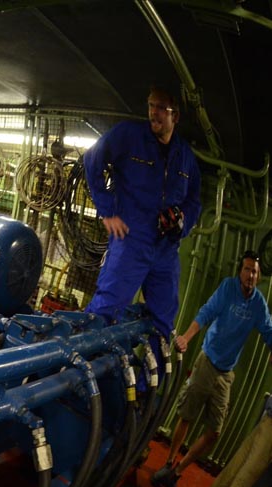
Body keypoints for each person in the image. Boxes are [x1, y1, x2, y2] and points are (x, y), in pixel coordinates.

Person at [152, 251, 272, 487]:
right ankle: (168, 462)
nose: (251, 275)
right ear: (240, 272)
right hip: (207, 362)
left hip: (226, 374)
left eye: (255, 271)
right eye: (247, 269)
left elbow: (268, 331)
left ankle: (176, 473)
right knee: (186, 415)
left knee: (215, 432)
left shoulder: (258, 304)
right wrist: (185, 337)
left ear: (258, 276)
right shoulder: (228, 289)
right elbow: (206, 313)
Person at [84, 86, 202, 341]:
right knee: (105, 312)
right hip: (131, 239)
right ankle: (77, 374)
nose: (154, 113)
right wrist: (107, 211)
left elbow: (194, 200)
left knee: (163, 324)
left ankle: (145, 381)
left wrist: (182, 222)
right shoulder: (129, 135)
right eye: (151, 106)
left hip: (166, 249)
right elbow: (92, 159)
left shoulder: (186, 157)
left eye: (162, 108)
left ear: (176, 117)